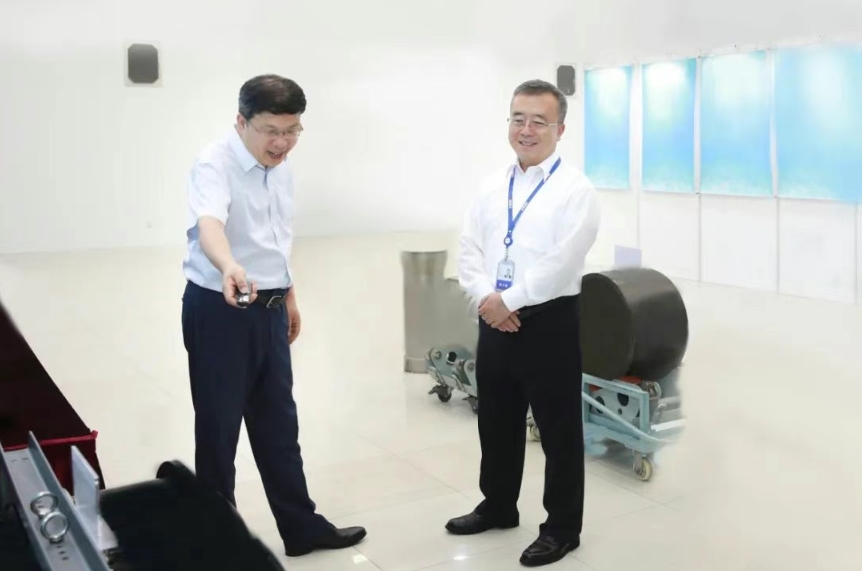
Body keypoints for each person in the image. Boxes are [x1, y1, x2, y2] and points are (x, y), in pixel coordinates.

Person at [180, 74, 366, 557]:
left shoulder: (280, 167)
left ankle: (302, 528)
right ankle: (217, 545)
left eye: (292, 131)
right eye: (271, 131)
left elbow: (276, 237)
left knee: (279, 426)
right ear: (241, 122)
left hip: (268, 307)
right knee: (219, 432)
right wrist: (229, 266)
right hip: (220, 310)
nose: (282, 143)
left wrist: (288, 296)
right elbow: (209, 223)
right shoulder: (214, 163)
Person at [446, 79, 600, 567]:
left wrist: (508, 300)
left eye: (539, 121)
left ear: (560, 129)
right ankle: (498, 505)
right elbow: (469, 248)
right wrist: (486, 299)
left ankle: (562, 528)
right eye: (518, 119)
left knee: (558, 430)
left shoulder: (577, 191)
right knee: (495, 420)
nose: (526, 129)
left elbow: (562, 261)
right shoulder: (492, 185)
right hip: (493, 317)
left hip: (549, 321)